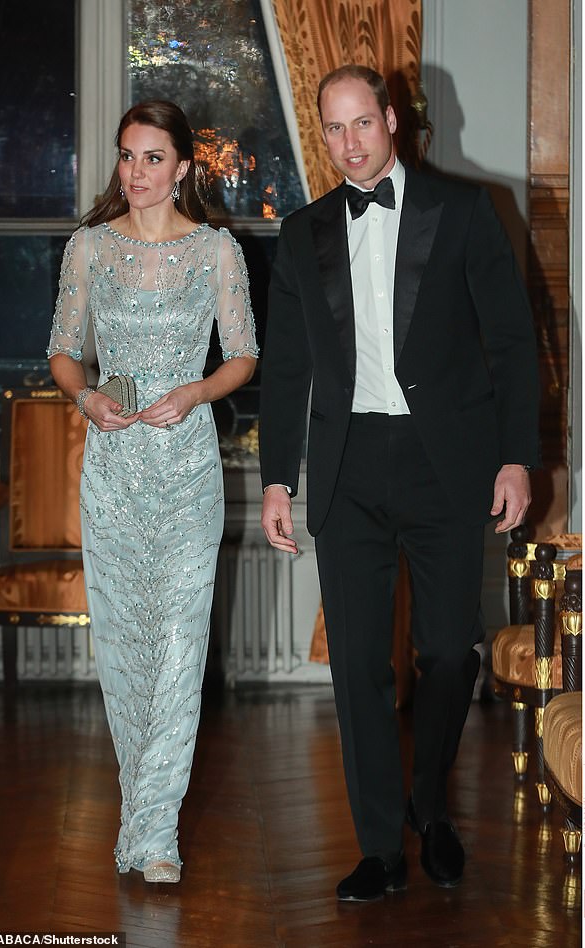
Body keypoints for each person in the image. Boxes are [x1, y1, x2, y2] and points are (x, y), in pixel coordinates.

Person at [259, 65, 539, 902]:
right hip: (347, 471)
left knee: (450, 652)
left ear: (391, 119)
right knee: (357, 668)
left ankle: (431, 804)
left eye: (361, 124)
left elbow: (515, 344)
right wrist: (278, 479)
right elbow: (285, 369)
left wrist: (517, 456)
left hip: (445, 464)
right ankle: (380, 844)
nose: (349, 144)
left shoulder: (463, 211)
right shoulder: (305, 231)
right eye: (333, 130)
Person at [48, 100, 258, 883]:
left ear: (183, 168)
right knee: (127, 652)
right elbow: (64, 352)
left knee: (178, 646)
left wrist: (198, 392)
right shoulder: (89, 249)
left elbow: (242, 356)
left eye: (152, 158)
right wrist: (87, 397)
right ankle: (141, 816)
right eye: (127, 157)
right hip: (111, 469)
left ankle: (158, 835)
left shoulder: (216, 252)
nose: (135, 173)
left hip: (187, 469)